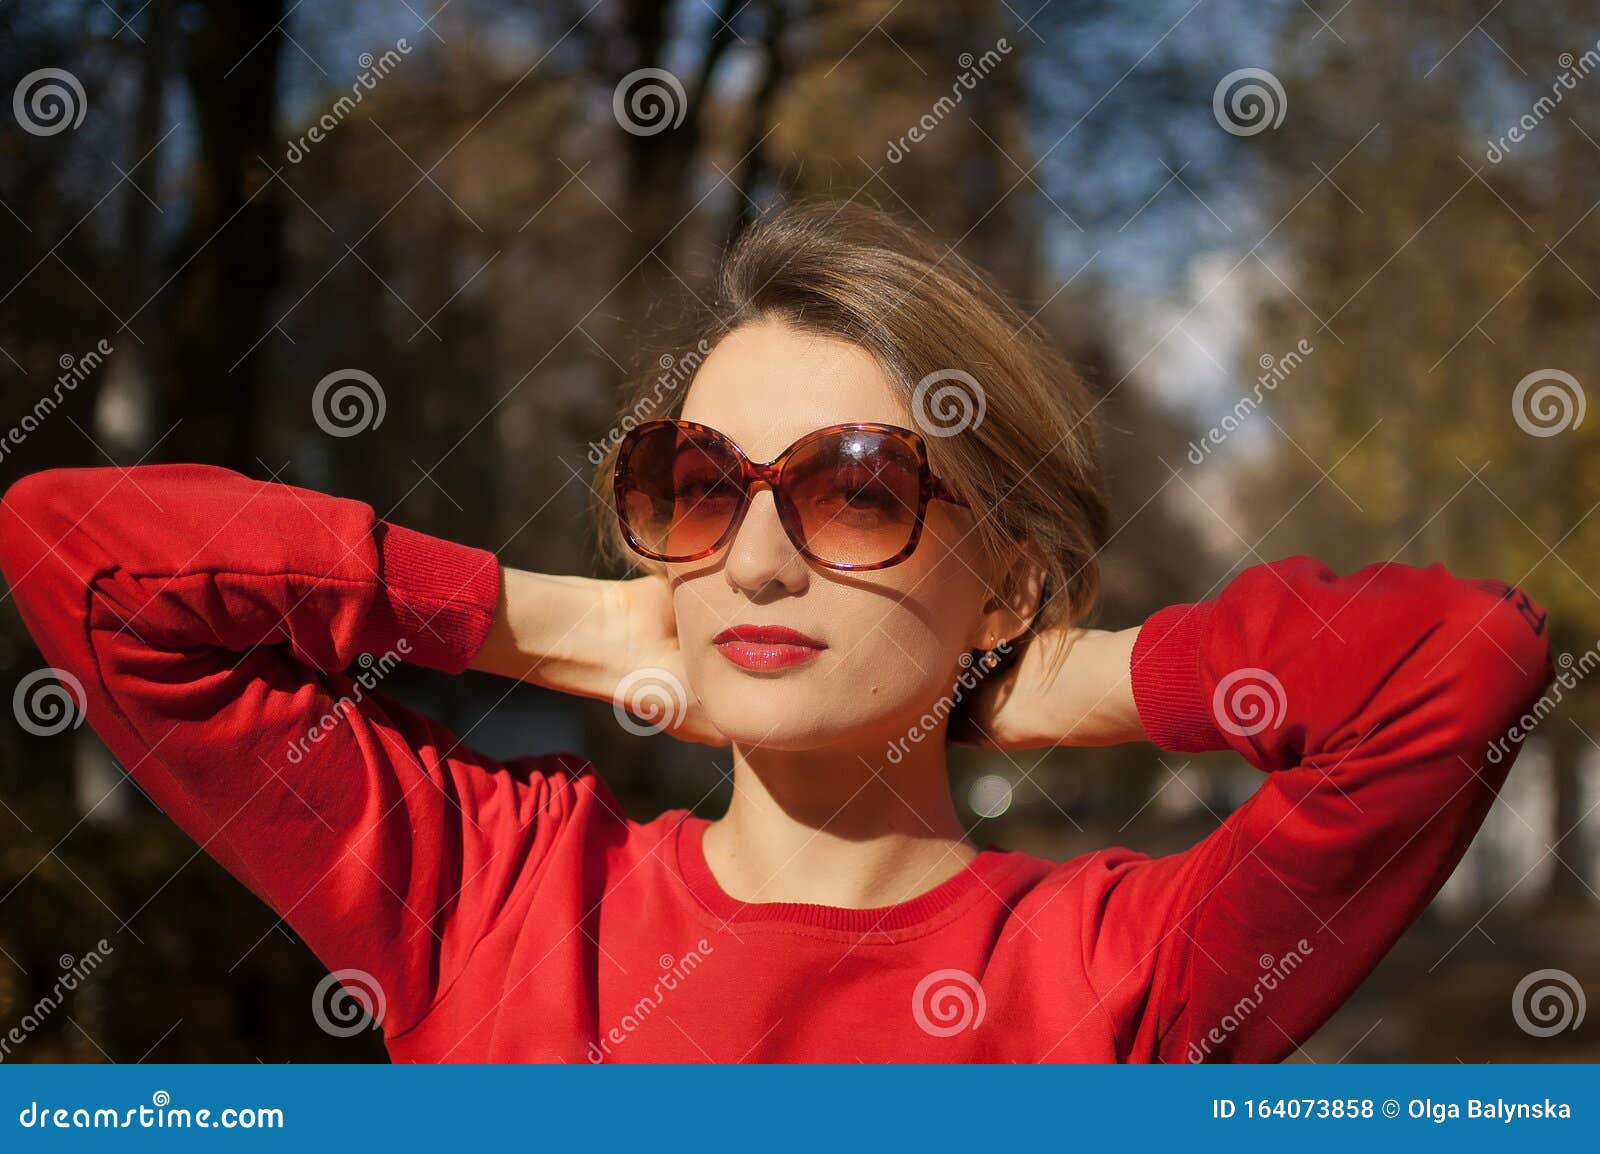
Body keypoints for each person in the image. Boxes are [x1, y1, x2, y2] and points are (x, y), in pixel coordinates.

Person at [0, 202, 1553, 1063]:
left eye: (859, 492)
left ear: (1004, 580)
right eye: (697, 488)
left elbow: (1460, 664)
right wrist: (559, 622)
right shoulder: (493, 894)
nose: (751, 557)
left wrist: (1061, 671)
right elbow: (89, 561)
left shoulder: (1120, 976)